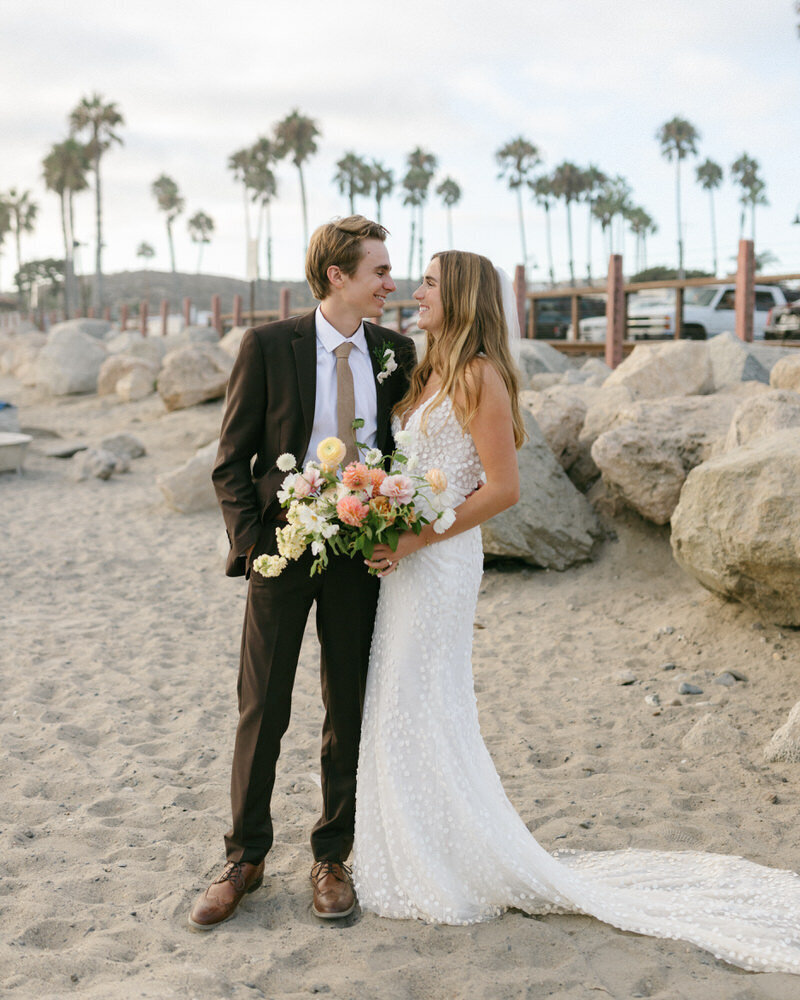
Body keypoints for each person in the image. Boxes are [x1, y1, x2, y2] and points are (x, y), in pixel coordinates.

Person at [352, 249, 800, 975]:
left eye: (430, 282)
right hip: (409, 560)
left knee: (421, 696)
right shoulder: (427, 371)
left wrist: (412, 535)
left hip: (440, 561)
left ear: (461, 294)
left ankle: (443, 858)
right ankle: (412, 848)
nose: (415, 292)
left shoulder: (480, 375)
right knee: (398, 696)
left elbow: (502, 490)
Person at [189, 215, 416, 931]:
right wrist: (255, 544)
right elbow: (231, 458)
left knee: (347, 704)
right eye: (379, 271)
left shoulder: (396, 353)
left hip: (360, 555)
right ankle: (244, 857)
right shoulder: (266, 346)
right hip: (282, 551)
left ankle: (332, 855)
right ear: (337, 277)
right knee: (263, 707)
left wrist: (396, 529)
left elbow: (403, 453)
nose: (391, 283)